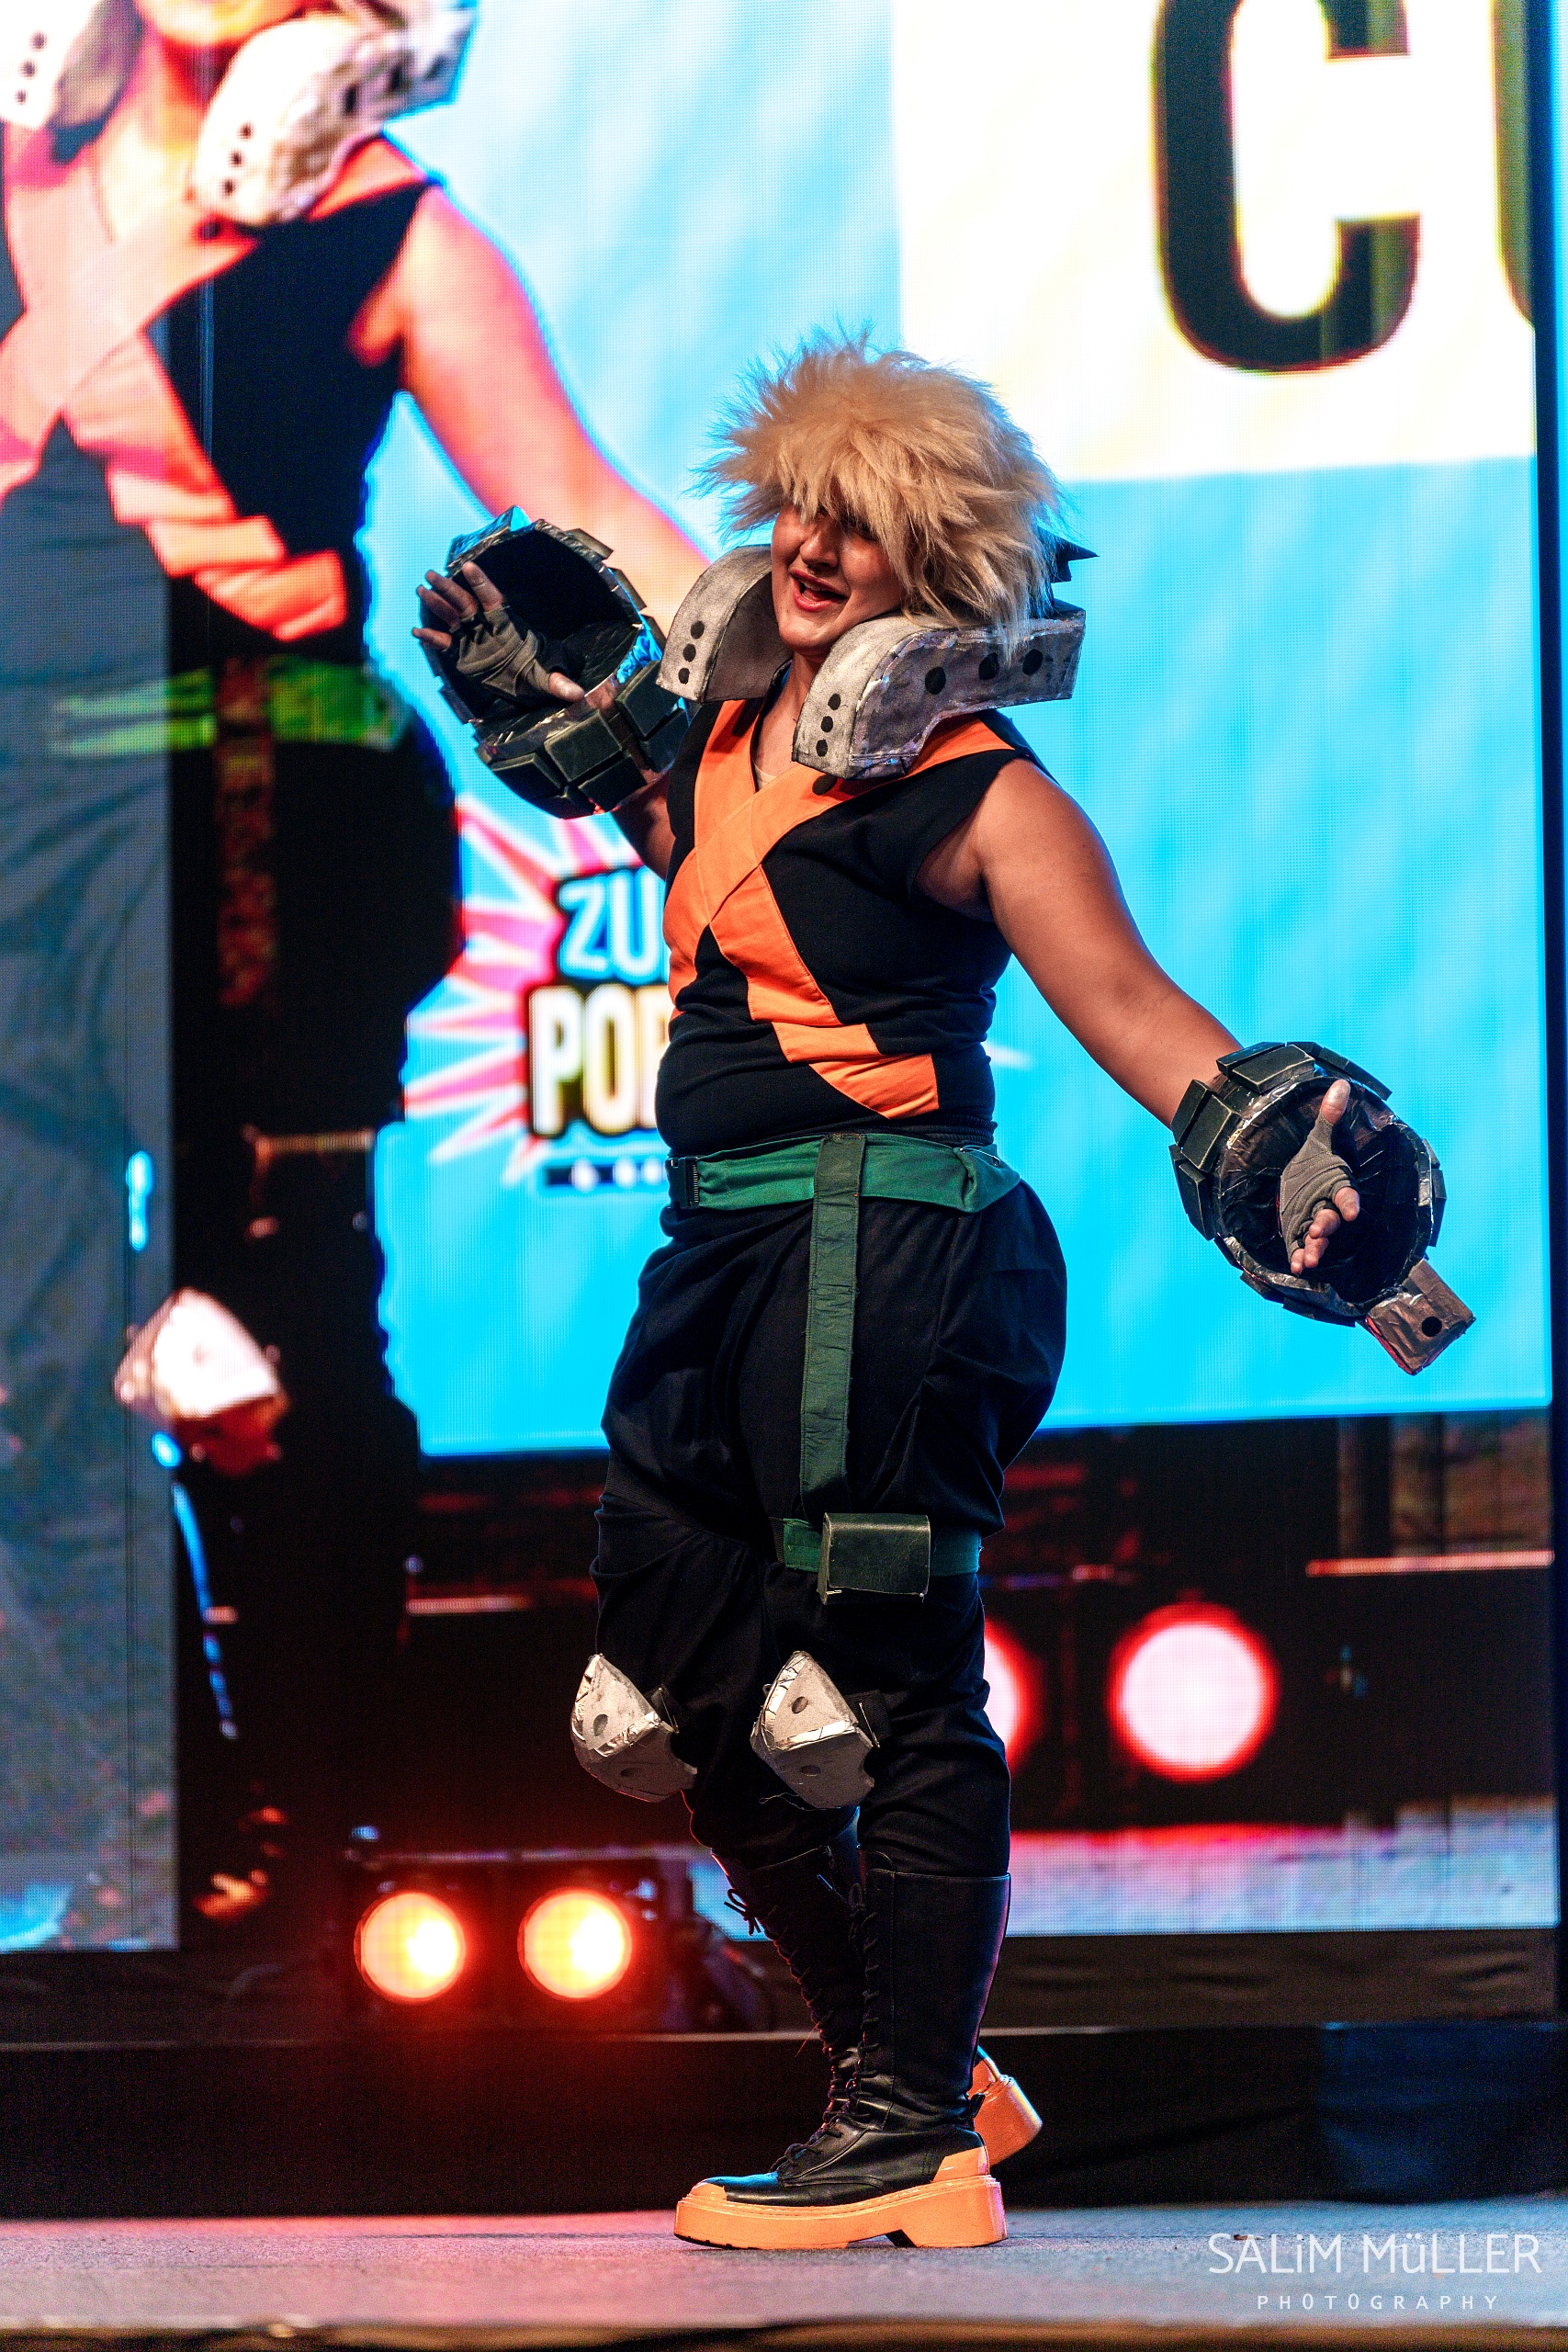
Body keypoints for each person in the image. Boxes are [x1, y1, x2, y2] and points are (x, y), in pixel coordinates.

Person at [417, 335, 1363, 2249]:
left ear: (939, 562)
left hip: (891, 1247)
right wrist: (562, 714)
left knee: (886, 1683)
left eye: (857, 524)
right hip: (720, 1257)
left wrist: (1300, 1165)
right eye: (795, 506)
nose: (809, 547)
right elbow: (708, 866)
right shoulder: (722, 741)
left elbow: (1132, 1008)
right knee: (677, 1698)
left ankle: (913, 2131)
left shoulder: (981, 788)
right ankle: (916, 2060)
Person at [0, 0, 700, 1931]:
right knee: (23, 1368)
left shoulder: (395, 228)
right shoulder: (11, 180)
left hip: (265, 804)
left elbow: (585, 513)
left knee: (268, 1349)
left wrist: (802, 721)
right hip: (10, 815)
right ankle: (154, 1826)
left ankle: (313, 1835)